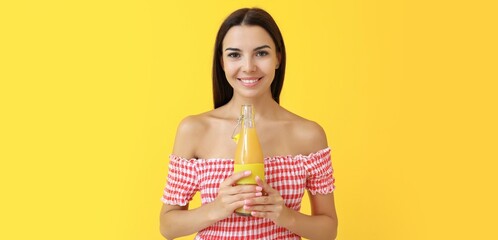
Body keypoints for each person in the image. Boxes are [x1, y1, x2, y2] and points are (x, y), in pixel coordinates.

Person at [159, 7, 338, 240]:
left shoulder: (308, 134)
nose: (249, 67)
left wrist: (284, 215)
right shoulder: (195, 130)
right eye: (235, 55)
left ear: (278, 58)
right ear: (222, 61)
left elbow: (328, 230)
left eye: (261, 53)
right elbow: (168, 226)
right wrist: (216, 208)